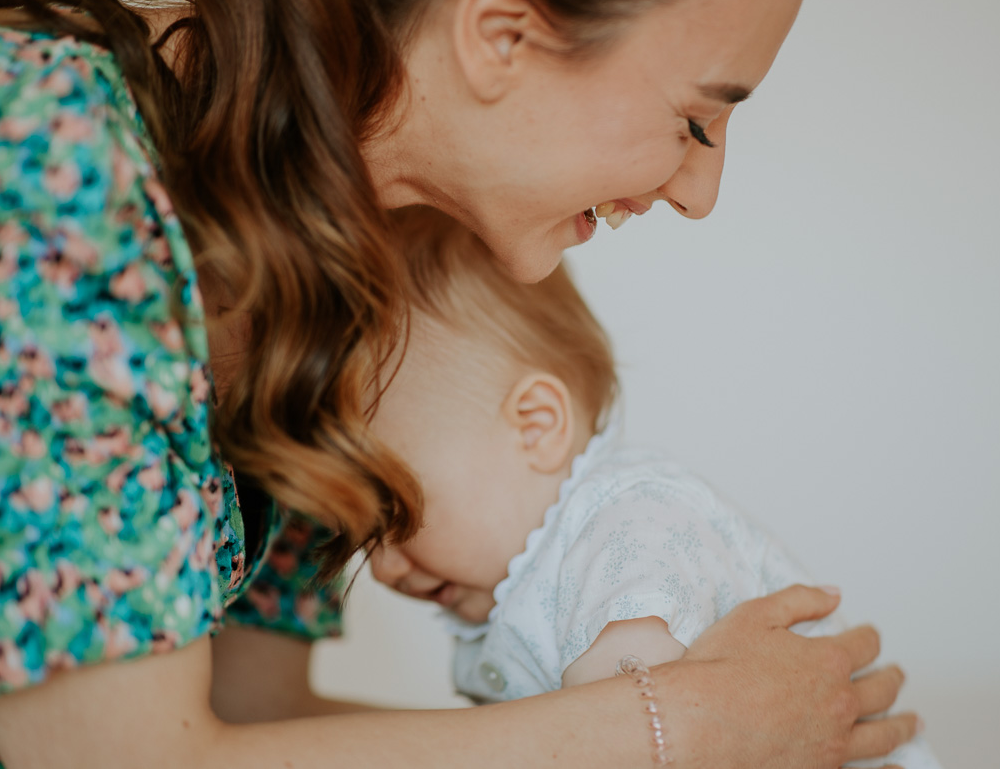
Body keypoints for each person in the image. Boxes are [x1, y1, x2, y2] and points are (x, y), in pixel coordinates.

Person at [0, 0, 921, 767]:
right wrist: (683, 728)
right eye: (696, 119)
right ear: (499, 34)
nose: (699, 193)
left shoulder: (364, 267)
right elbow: (113, 757)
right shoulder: (31, 145)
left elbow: (249, 708)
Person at [366, 208, 940, 767]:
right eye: (361, 534)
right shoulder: (512, 588)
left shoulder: (628, 533)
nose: (384, 570)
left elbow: (628, 742)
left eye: (395, 512)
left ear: (537, 426)